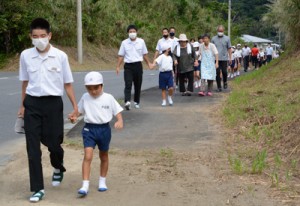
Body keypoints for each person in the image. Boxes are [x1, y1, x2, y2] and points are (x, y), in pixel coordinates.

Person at [18, 18, 78, 202]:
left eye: (43, 36)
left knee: (54, 143)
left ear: (50, 35)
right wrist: (22, 106)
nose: (39, 39)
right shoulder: (25, 56)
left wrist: (75, 107)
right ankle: (37, 189)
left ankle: (58, 166)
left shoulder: (60, 56)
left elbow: (67, 84)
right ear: (31, 37)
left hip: (53, 104)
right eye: (35, 36)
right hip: (32, 104)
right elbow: (25, 82)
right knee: (33, 148)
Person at [69, 72, 123, 196]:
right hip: (89, 129)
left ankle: (102, 181)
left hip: (104, 129)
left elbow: (117, 111)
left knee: (104, 156)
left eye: (96, 88)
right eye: (89, 88)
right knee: (88, 156)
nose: (93, 91)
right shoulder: (85, 97)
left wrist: (120, 120)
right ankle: (85, 184)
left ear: (102, 85)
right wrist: (73, 116)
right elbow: (79, 111)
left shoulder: (108, 97)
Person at [116, 25, 151, 110]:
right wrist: (118, 66)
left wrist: (149, 63)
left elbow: (145, 54)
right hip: (128, 66)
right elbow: (121, 55)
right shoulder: (124, 43)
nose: (132, 33)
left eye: (133, 31)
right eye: (130, 32)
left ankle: (136, 101)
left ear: (136, 32)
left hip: (138, 65)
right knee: (128, 84)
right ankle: (127, 101)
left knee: (137, 85)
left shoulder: (141, 42)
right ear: (128, 33)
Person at [211, 25, 232, 92]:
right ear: (217, 31)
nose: (220, 32)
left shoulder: (227, 38)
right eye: (219, 31)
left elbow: (229, 48)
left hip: (224, 58)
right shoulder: (213, 39)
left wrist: (230, 58)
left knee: (224, 72)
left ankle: (225, 81)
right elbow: (211, 49)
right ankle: (219, 86)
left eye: (221, 31)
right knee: (217, 72)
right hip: (216, 59)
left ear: (223, 31)